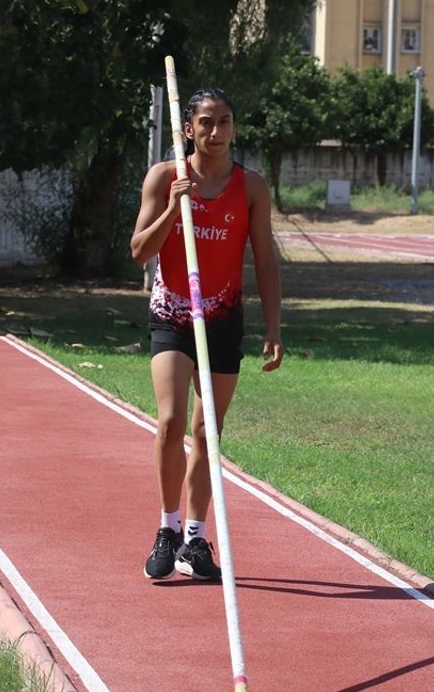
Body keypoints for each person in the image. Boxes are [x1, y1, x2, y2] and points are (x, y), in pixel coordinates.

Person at [130, 88, 284, 582]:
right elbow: (138, 251)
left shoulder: (252, 187)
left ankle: (196, 539)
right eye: (205, 122)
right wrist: (175, 208)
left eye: (224, 121)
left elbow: (264, 259)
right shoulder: (164, 176)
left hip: (223, 317)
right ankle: (167, 528)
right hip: (173, 312)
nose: (215, 132)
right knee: (172, 421)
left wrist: (274, 325)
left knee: (206, 434)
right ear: (188, 129)